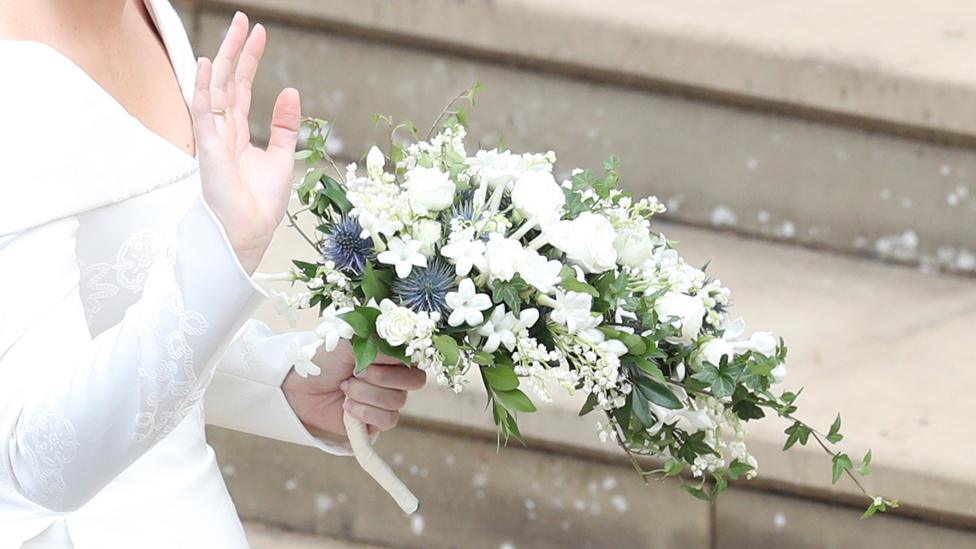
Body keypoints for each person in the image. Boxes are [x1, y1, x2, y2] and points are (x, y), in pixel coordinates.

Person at [0, 1, 426, 546]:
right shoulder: (12, 76)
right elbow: (39, 459)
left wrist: (289, 378)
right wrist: (230, 249)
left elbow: (123, 308)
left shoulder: (149, 14)